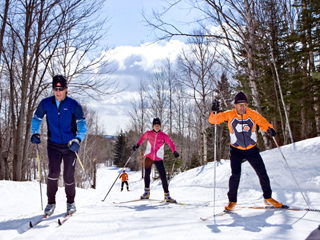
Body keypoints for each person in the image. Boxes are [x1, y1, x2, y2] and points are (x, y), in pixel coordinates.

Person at [208, 91, 283, 211]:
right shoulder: (229, 114)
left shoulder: (252, 114)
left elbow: (263, 122)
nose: (242, 107)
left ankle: (268, 197)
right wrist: (214, 112)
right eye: (240, 105)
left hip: (251, 149)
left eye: (244, 105)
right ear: (235, 105)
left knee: (262, 172)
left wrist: (270, 129)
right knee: (235, 175)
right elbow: (213, 120)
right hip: (236, 150)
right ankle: (232, 200)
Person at [30, 75, 87, 216]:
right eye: (55, 88)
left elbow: (82, 125)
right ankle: (51, 203)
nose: (58, 91)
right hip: (53, 145)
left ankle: (70, 203)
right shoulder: (46, 103)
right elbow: (36, 119)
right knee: (53, 174)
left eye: (61, 89)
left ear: (66, 89)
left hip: (70, 146)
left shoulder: (74, 105)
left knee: (68, 176)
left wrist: (78, 140)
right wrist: (35, 133)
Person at [133, 117, 180, 203]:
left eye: (158, 125)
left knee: (163, 176)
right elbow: (142, 138)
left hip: (158, 158)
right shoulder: (148, 133)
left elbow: (171, 143)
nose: (157, 127)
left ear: (160, 126)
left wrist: (175, 151)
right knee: (147, 174)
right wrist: (137, 145)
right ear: (153, 126)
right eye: (155, 125)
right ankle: (146, 193)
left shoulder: (164, 135)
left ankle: (167, 195)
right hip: (149, 157)